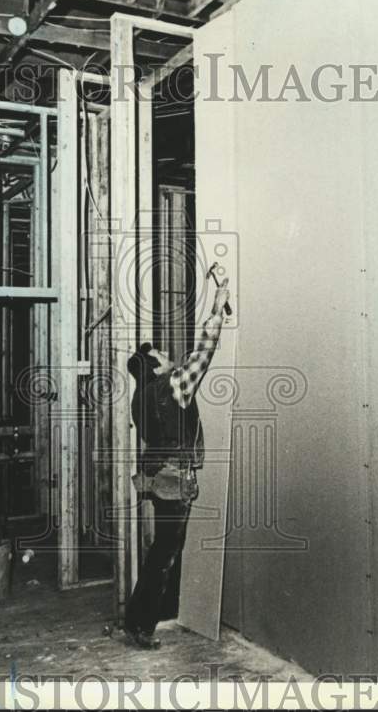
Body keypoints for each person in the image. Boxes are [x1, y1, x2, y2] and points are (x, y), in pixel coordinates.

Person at [123, 278, 231, 649]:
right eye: (162, 354)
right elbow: (203, 353)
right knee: (166, 553)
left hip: (157, 477)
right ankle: (141, 626)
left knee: (161, 550)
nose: (169, 354)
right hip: (174, 478)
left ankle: (137, 619)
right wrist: (216, 309)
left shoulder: (141, 397)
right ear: (156, 368)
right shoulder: (172, 386)